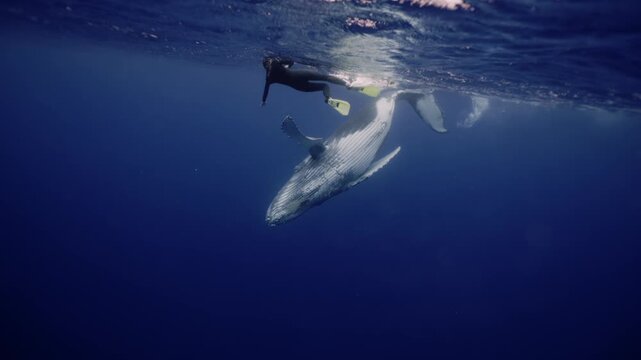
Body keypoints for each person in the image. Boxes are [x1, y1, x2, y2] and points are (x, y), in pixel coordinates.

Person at [261, 56, 353, 116]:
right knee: (326, 78)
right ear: (269, 61)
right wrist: (284, 66)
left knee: (324, 86)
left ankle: (328, 99)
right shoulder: (274, 63)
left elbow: (266, 90)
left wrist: (263, 101)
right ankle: (347, 84)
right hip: (300, 75)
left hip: (299, 86)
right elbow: (291, 61)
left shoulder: (268, 78)